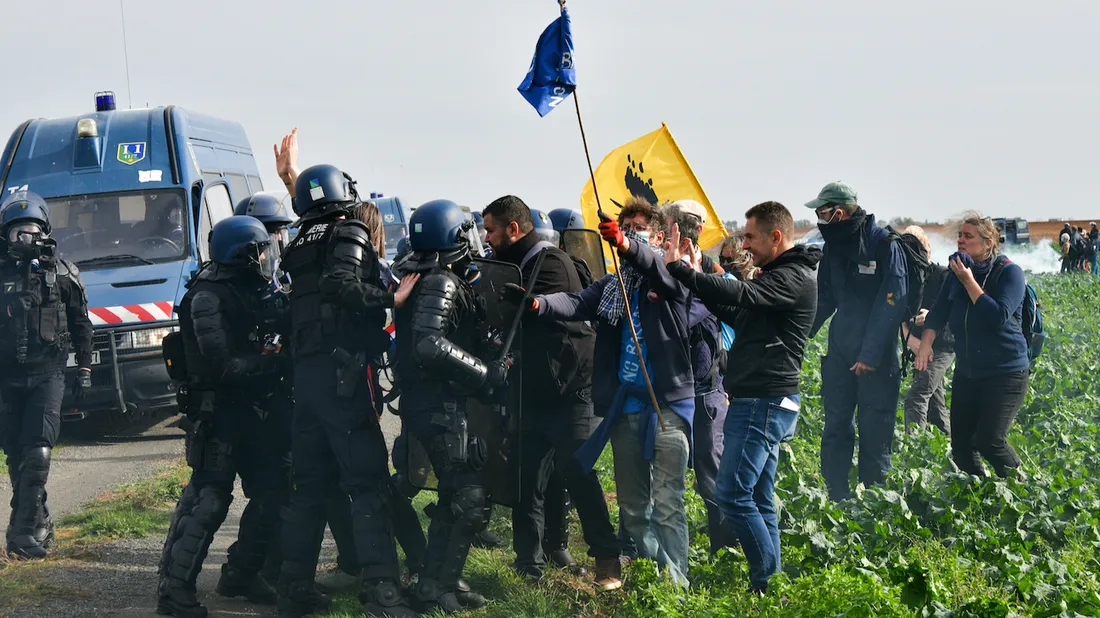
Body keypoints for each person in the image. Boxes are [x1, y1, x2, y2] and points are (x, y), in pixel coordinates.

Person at [519, 198, 695, 587]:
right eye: (625, 227)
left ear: (659, 236)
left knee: (668, 506)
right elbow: (577, 302)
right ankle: (660, 572)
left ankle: (676, 589)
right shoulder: (615, 287)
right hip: (627, 409)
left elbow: (657, 271)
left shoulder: (673, 277)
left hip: (666, 409)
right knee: (633, 511)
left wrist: (630, 247)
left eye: (638, 228)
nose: (630, 233)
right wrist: (536, 303)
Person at [277, 164, 419, 618]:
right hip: (343, 377)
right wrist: (390, 301)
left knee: (310, 489)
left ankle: (292, 590)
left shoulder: (298, 243)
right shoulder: (349, 231)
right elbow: (341, 287)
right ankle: (382, 592)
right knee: (367, 484)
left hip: (308, 379)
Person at [666, 201, 820, 594]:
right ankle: (772, 579)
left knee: (732, 496)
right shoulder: (780, 275)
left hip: (762, 403)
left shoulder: (794, 276)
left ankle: (765, 581)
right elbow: (739, 311)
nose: (745, 244)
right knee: (760, 498)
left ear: (776, 236)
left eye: (750, 236)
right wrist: (695, 276)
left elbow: (743, 294)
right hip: (763, 400)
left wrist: (683, 270)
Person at [482, 196, 621, 590]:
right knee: (528, 478)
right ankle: (529, 561)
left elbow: (544, 312)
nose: (486, 237)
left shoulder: (551, 263)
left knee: (577, 470)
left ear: (514, 228)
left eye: (491, 229)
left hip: (572, 388)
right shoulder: (516, 263)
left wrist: (520, 303)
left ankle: (606, 558)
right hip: (534, 389)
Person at [156, 216, 291, 617]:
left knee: (274, 491)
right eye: (261, 251)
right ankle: (174, 591)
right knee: (209, 499)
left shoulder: (251, 286)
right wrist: (279, 363)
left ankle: (242, 573)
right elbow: (225, 367)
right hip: (218, 412)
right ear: (243, 255)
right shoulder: (208, 297)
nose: (267, 258)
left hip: (254, 409)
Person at [393, 199, 507, 613]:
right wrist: (485, 373)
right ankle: (435, 588)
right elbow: (429, 344)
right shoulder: (440, 280)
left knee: (459, 494)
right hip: (437, 404)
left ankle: (439, 581)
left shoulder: (425, 273)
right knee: (467, 497)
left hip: (436, 402)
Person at [0, 191, 93, 560]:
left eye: (33, 231)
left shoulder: (63, 272)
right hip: (6, 376)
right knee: (15, 453)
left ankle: (20, 533)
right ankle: (40, 521)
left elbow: (82, 324)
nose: (27, 239)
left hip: (47, 372)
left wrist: (84, 367)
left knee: (38, 449)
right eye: (18, 232)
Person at [806, 181, 908, 501]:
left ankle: (874, 501)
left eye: (822, 213)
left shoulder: (884, 244)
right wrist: (798, 335)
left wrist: (870, 354)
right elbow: (824, 299)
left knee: (874, 430)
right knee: (836, 426)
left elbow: (892, 301)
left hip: (876, 356)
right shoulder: (834, 247)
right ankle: (837, 495)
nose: (818, 220)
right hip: (840, 351)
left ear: (838, 212)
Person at [916, 213, 1028, 479]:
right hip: (969, 371)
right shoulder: (954, 275)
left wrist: (969, 281)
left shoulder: (1009, 273)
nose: (961, 241)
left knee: (989, 439)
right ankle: (980, 495)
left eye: (968, 236)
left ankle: (1021, 486)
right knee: (962, 447)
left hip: (1006, 372)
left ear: (988, 242)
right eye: (959, 236)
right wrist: (925, 344)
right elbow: (938, 312)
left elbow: (998, 316)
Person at [901, 226, 953, 436]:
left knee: (917, 396)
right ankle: (950, 445)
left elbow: (953, 310)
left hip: (942, 345)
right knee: (934, 402)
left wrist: (930, 316)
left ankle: (913, 450)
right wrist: (908, 337)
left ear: (928, 249)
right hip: (917, 344)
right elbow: (895, 314)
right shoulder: (905, 279)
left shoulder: (943, 275)